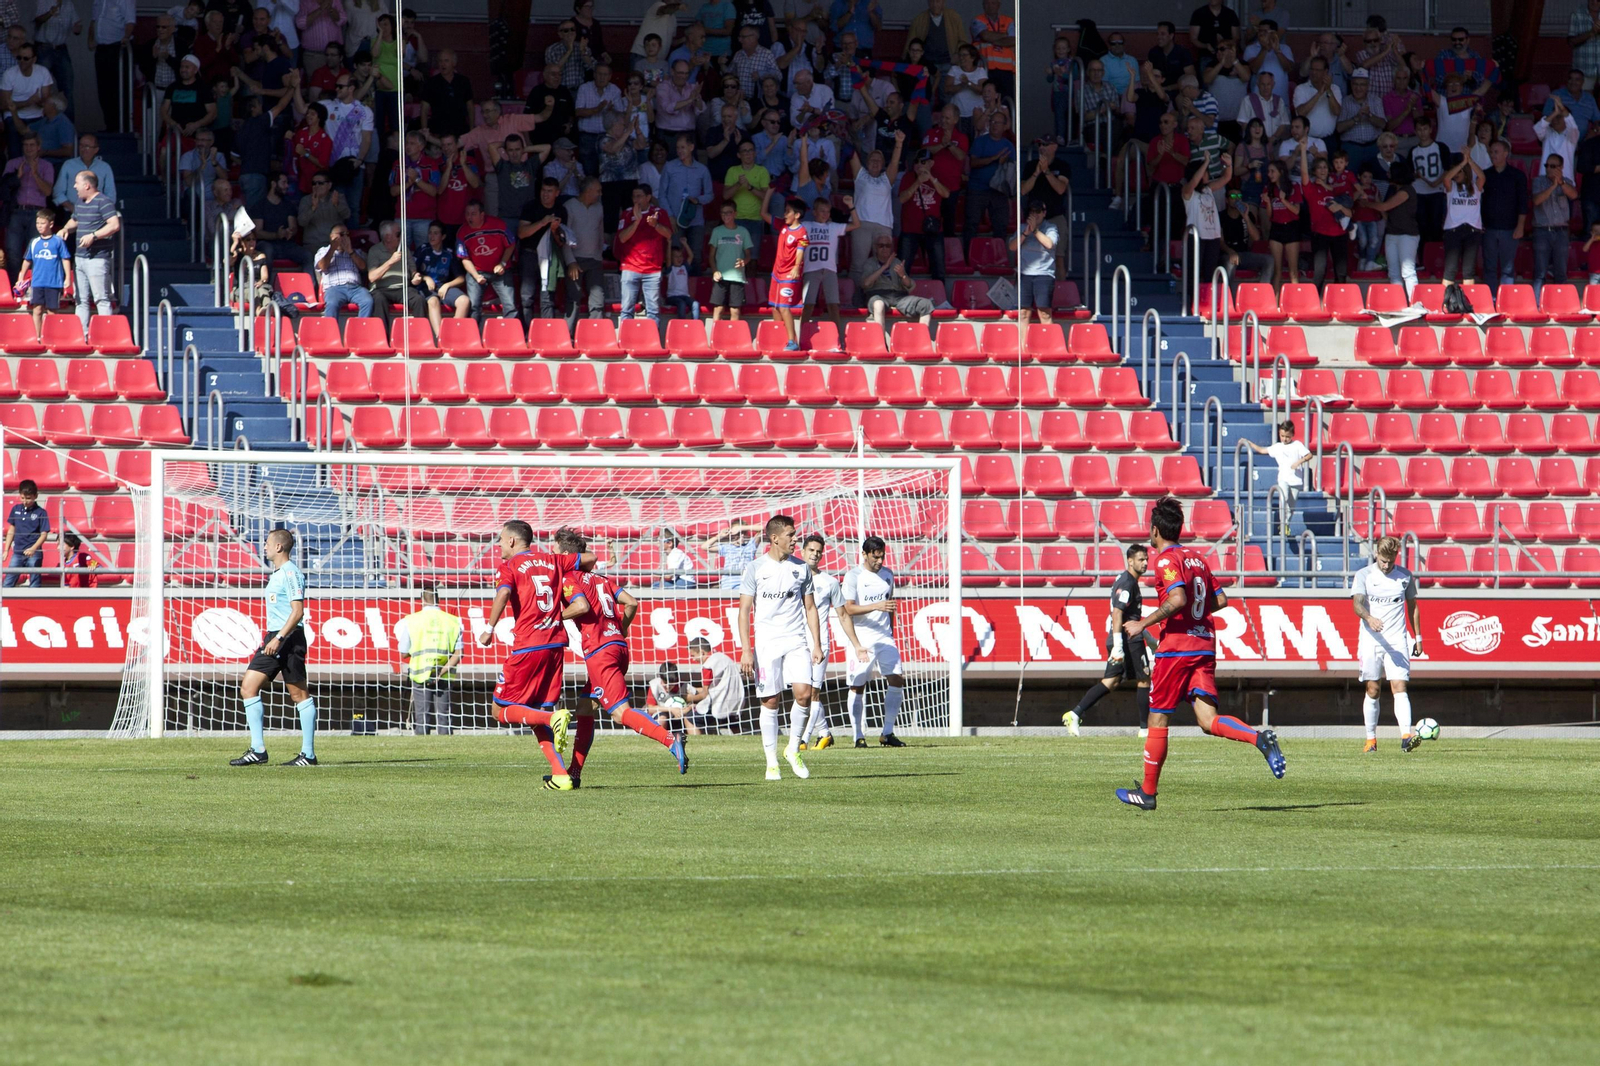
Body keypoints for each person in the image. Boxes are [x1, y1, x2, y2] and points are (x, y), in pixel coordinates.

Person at [1114, 497, 1286, 810]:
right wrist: (1195, 616)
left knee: (1158, 717)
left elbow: (1178, 598)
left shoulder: (1166, 561)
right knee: (1208, 721)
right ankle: (1259, 739)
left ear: (1155, 531)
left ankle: (1148, 793)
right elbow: (1221, 600)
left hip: (1176, 650)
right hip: (1204, 645)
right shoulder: (1197, 558)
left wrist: (1143, 623)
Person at [554, 528, 688, 784]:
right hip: (618, 646)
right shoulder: (602, 579)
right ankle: (574, 772)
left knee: (619, 713)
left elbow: (581, 606)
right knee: (585, 708)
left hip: (600, 652)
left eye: (556, 551)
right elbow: (632, 603)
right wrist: (621, 629)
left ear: (567, 555)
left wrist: (555, 617)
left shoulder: (569, 578)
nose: (552, 556)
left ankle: (670, 740)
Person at [478, 519, 599, 790]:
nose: (498, 544)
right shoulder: (552, 560)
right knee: (533, 712)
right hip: (556, 645)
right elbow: (592, 558)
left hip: (528, 645)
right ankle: (560, 775)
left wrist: (489, 628)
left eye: (500, 539)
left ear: (511, 540)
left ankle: (552, 719)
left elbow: (503, 594)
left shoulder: (508, 566)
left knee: (499, 710)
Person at [737, 513, 824, 780]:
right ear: (775, 538)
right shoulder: (754, 569)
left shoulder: (801, 569)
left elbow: (810, 607)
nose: (795, 539)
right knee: (770, 700)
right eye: (790, 535)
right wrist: (746, 650)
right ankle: (771, 761)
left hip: (796, 639)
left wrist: (816, 644)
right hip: (766, 643)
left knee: (804, 694)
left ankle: (793, 748)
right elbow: (744, 611)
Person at [228, 528, 320, 767]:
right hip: (275, 637)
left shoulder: (291, 573)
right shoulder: (278, 574)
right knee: (248, 687)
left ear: (279, 547)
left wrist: (279, 637)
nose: (264, 546)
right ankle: (258, 750)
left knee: (298, 695)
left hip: (287, 638)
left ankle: (308, 754)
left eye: (267, 543)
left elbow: (298, 611)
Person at [1062, 543, 1153, 737]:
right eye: (1141, 560)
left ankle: (1074, 714)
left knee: (1111, 682)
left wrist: (1149, 639)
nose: (1145, 563)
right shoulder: (1128, 582)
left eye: (1146, 559)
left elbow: (1129, 617)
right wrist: (1119, 646)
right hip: (1128, 640)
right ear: (1130, 561)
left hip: (1122, 637)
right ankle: (1145, 730)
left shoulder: (1126, 580)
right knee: (1144, 679)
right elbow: (1117, 612)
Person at [1352, 535, 1423, 753]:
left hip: (1396, 640)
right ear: (1376, 554)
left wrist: (1418, 637)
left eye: (1390, 561)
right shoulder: (1364, 575)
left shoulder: (1404, 576)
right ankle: (1371, 740)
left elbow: (1413, 607)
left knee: (1399, 686)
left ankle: (1406, 737)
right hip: (1371, 641)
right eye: (1383, 560)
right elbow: (1357, 604)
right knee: (1373, 689)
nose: (1386, 565)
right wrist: (1369, 618)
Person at [836, 535, 905, 747]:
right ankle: (858, 735)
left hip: (884, 637)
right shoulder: (853, 576)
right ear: (864, 554)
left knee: (897, 679)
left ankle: (887, 733)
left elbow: (889, 605)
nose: (879, 561)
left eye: (882, 557)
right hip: (862, 636)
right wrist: (876, 606)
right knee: (858, 685)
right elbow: (848, 608)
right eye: (875, 557)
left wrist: (891, 631)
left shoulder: (888, 575)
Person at [395, 585, 463, 735]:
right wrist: (443, 670)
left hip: (420, 674)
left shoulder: (412, 620)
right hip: (444, 675)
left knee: (422, 717)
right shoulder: (453, 621)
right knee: (444, 717)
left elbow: (403, 652)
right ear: (438, 600)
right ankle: (446, 749)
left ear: (422, 600)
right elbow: (459, 653)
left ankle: (422, 749)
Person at [795, 532, 840, 750]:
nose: (815, 554)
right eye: (811, 550)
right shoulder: (793, 576)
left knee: (813, 691)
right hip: (796, 641)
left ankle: (804, 738)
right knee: (801, 691)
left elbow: (842, 613)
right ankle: (825, 733)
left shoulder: (830, 582)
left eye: (818, 551)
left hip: (818, 643)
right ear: (802, 551)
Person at [1243, 419, 1312, 535]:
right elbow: (1261, 450)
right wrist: (1249, 443)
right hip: (1283, 478)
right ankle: (1282, 524)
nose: (1285, 439)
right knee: (1283, 498)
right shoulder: (1278, 447)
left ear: (1292, 435)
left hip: (1295, 480)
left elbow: (1309, 455)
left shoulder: (1297, 445)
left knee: (1291, 507)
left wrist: (1299, 462)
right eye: (1282, 436)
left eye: (1287, 437)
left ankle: (1286, 524)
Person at [615, 183, 672, 323]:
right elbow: (622, 238)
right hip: (630, 267)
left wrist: (656, 225)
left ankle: (653, 343)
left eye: (639, 196)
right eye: (634, 196)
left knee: (653, 311)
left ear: (648, 197)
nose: (636, 199)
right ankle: (625, 343)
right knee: (627, 309)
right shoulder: (627, 213)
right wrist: (637, 221)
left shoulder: (660, 213)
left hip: (652, 269)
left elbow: (669, 235)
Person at [800, 191, 855, 334]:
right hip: (811, 269)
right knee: (808, 306)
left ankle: (837, 337)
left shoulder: (833, 227)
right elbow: (788, 224)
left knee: (833, 305)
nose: (825, 214)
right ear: (814, 212)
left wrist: (851, 207)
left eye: (827, 211)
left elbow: (856, 224)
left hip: (829, 270)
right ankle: (802, 336)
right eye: (822, 211)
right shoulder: (806, 225)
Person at [1480, 139, 1529, 295]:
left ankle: (1507, 300)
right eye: (1491, 152)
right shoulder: (1485, 175)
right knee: (1489, 267)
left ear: (1506, 154)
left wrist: (1520, 226)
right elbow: (1478, 202)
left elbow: (1523, 203)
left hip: (1510, 228)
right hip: (1489, 228)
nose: (1492, 155)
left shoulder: (1518, 176)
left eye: (1496, 152)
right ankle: (1491, 299)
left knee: (1508, 268)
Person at [761, 193, 809, 349]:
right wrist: (769, 193)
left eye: (788, 211)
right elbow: (763, 214)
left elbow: (801, 251)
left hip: (789, 275)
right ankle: (781, 339)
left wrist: (796, 267)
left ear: (797, 215)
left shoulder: (801, 232)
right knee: (775, 307)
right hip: (776, 274)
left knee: (784, 307)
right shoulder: (782, 225)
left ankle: (792, 341)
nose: (784, 214)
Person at [861, 233, 933, 330]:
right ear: (876, 248)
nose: (884, 248)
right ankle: (880, 341)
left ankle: (921, 338)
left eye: (887, 246)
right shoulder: (870, 263)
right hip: (878, 295)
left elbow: (908, 285)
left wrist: (902, 275)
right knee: (878, 304)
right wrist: (884, 267)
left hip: (899, 296)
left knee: (926, 304)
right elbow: (866, 283)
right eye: (881, 245)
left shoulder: (896, 262)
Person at [676, 635, 746, 734]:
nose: (693, 659)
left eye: (693, 656)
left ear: (702, 652)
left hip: (720, 702)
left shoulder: (707, 666)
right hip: (736, 701)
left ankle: (698, 746)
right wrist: (695, 690)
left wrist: (687, 698)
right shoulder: (723, 657)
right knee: (732, 726)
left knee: (690, 718)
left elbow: (705, 694)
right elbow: (715, 686)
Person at [3, 134, 53, 273]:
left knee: (37, 253)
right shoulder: (13, 163)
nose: (28, 148)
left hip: (38, 214)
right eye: (25, 145)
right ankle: (15, 289)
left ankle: (33, 288)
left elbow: (48, 191)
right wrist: (17, 177)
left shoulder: (46, 166)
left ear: (38, 147)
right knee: (13, 252)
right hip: (16, 211)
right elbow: (4, 188)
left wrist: (35, 174)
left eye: (32, 145)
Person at [1531, 154, 1578, 300]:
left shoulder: (1567, 182)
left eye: (1553, 166)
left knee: (1561, 272)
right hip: (1542, 231)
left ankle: (1561, 304)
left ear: (1561, 167)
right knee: (1540, 272)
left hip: (1561, 231)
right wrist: (1552, 186)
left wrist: (1561, 183)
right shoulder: (1538, 181)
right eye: (1547, 166)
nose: (1549, 169)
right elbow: (1537, 200)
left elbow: (1574, 195)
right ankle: (1537, 305)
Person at [1373, 158, 1421, 298]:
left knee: (1408, 271)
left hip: (1408, 235)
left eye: (1390, 172)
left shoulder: (1406, 191)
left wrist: (1367, 204)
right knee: (1393, 272)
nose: (1387, 174)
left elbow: (1385, 206)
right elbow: (1386, 213)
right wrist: (1377, 203)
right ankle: (1398, 302)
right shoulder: (1394, 190)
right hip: (1392, 234)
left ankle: (1415, 303)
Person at [18, 206, 67, 339]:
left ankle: (52, 336)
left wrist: (67, 277)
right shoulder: (34, 242)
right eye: (37, 223)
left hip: (53, 282)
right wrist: (21, 276)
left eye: (42, 223)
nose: (39, 226)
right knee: (37, 309)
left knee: (52, 311)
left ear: (51, 224)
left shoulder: (58, 241)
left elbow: (65, 259)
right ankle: (37, 337)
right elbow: (27, 260)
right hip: (37, 282)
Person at [1440, 152, 1485, 286]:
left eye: (1459, 173)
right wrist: (1461, 163)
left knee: (1468, 270)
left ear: (1465, 173)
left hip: (1472, 230)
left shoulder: (1476, 187)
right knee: (1450, 269)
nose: (1455, 175)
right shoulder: (1451, 187)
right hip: (1453, 230)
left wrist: (1469, 161)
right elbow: (1447, 178)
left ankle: (1467, 302)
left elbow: (1482, 176)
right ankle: (1446, 301)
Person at [1011, 198, 1057, 327]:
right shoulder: (1022, 228)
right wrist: (1026, 233)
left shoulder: (1051, 227)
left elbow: (1049, 244)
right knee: (1024, 313)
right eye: (1033, 212)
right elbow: (1012, 247)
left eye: (1038, 211)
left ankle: (1049, 345)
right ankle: (1023, 346)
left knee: (1044, 313)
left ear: (1044, 213)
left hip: (1044, 273)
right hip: (1024, 273)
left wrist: (1035, 230)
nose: (1036, 215)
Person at [315, 222, 371, 320]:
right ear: (332, 236)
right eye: (341, 234)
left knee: (368, 301)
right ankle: (330, 333)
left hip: (355, 288)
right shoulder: (323, 251)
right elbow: (322, 266)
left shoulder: (356, 251)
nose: (344, 237)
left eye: (347, 234)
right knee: (332, 303)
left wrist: (350, 251)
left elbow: (363, 267)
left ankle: (362, 330)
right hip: (334, 288)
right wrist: (333, 248)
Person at [3, 478, 49, 588]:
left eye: (28, 498)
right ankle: (5, 604)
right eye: (22, 498)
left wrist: (33, 548)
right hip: (18, 552)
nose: (25, 501)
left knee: (35, 582)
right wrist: (6, 550)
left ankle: (35, 604)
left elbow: (44, 534)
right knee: (8, 582)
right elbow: (11, 529)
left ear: (35, 496)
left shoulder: (41, 512)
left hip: (34, 553)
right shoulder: (15, 509)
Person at [1572, 0, 1600, 91]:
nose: (1595, 2)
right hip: (1584, 69)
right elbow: (1571, 42)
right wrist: (1591, 32)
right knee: (1585, 102)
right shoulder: (1577, 15)